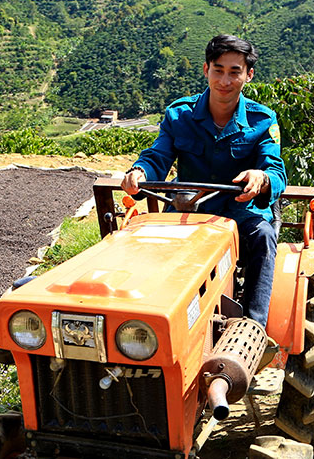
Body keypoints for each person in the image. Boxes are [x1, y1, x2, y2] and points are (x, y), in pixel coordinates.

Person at [121, 34, 286, 328]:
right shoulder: (178, 114)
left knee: (263, 236)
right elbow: (158, 155)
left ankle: (253, 327)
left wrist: (260, 177)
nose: (225, 80)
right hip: (188, 209)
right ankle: (145, 320)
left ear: (248, 75)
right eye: (218, 70)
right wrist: (141, 172)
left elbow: (275, 170)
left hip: (239, 211)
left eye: (234, 72)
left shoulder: (263, 120)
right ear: (206, 69)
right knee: (140, 241)